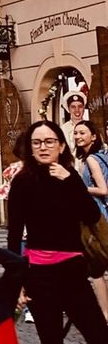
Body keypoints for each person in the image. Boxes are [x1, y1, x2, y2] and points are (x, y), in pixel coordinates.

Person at [6, 119, 108, 344]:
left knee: (102, 342)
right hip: (40, 276)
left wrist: (73, 183)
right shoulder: (22, 183)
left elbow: (91, 217)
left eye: (50, 141)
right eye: (37, 142)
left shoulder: (70, 177)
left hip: (73, 273)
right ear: (30, 147)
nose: (44, 147)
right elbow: (13, 236)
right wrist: (17, 284)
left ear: (62, 146)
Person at [72, 120, 108, 318]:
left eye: (82, 133)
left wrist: (79, 189)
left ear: (93, 136)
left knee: (96, 268)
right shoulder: (103, 156)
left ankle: (104, 312)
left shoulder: (92, 160)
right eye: (76, 133)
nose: (78, 136)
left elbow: (103, 189)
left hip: (99, 214)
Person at [61, 87, 89, 152]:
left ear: (84, 108)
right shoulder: (63, 129)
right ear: (68, 109)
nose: (77, 110)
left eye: (80, 106)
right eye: (73, 107)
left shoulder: (90, 127)